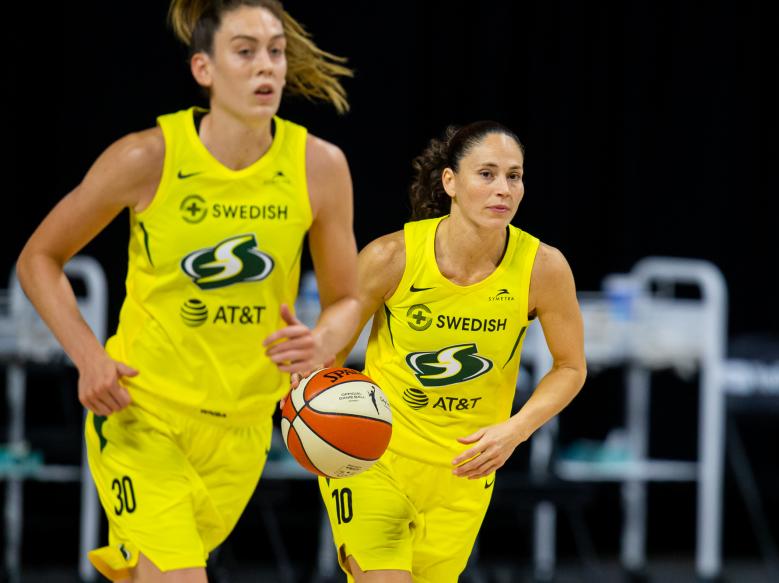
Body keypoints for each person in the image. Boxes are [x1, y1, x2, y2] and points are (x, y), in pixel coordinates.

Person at [15, 0, 360, 580]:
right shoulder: (146, 157)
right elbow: (39, 259)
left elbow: (347, 299)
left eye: (275, 52)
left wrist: (321, 342)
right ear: (204, 69)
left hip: (244, 428)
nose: (267, 67)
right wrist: (88, 356)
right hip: (140, 413)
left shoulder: (319, 167)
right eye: (245, 52)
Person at [317, 121, 587, 582]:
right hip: (375, 460)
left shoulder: (543, 267)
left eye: (514, 176)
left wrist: (516, 430)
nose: (503, 188)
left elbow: (570, 367)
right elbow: (325, 358)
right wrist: (325, 426)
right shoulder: (391, 257)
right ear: (450, 182)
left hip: (464, 473)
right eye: (486, 174)